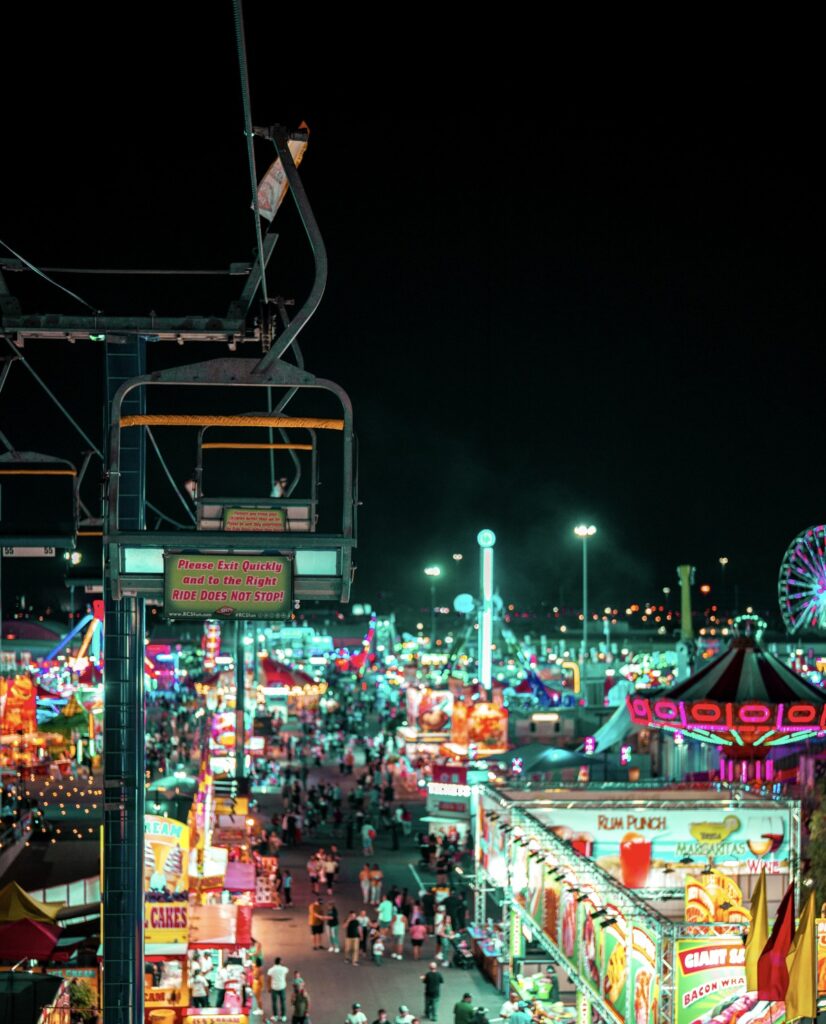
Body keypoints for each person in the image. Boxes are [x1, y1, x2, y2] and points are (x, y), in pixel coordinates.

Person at [266, 956, 289, 1022]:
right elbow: (286, 973)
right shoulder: (284, 969)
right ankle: (283, 1016)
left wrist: (269, 988)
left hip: (274, 988)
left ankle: (275, 1016)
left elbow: (269, 979)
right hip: (282, 987)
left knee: (274, 1002)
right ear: (280, 962)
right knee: (283, 1002)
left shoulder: (271, 970)